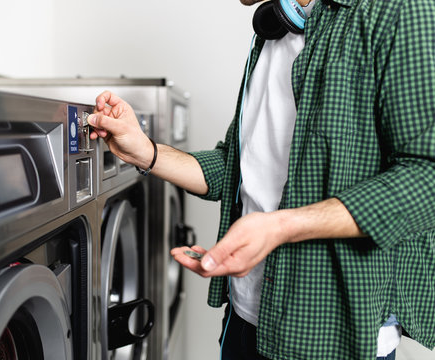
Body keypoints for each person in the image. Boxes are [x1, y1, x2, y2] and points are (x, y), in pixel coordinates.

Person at [87, 0, 435, 358]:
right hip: (245, 316)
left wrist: (279, 228)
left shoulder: (398, 9)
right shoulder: (271, 31)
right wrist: (145, 152)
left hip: (331, 339)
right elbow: (234, 167)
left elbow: (428, 178)